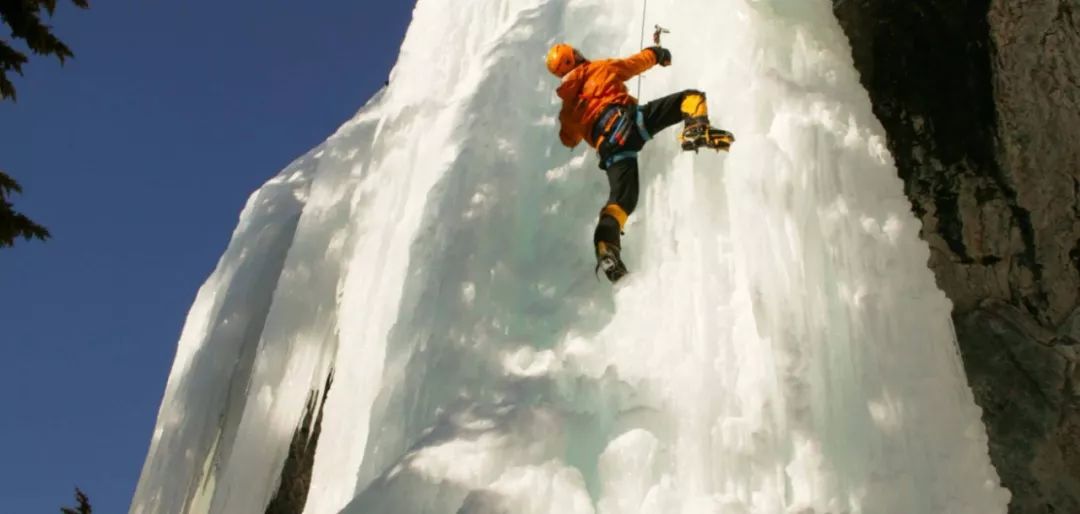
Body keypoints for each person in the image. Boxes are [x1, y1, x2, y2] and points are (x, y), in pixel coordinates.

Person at [546, 43, 734, 282]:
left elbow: (567, 139)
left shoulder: (568, 109)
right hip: (631, 123)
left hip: (611, 149)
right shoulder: (600, 68)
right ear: (573, 59)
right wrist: (658, 54)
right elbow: (634, 64)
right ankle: (696, 129)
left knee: (622, 201)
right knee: (690, 98)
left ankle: (607, 244)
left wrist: (574, 115)